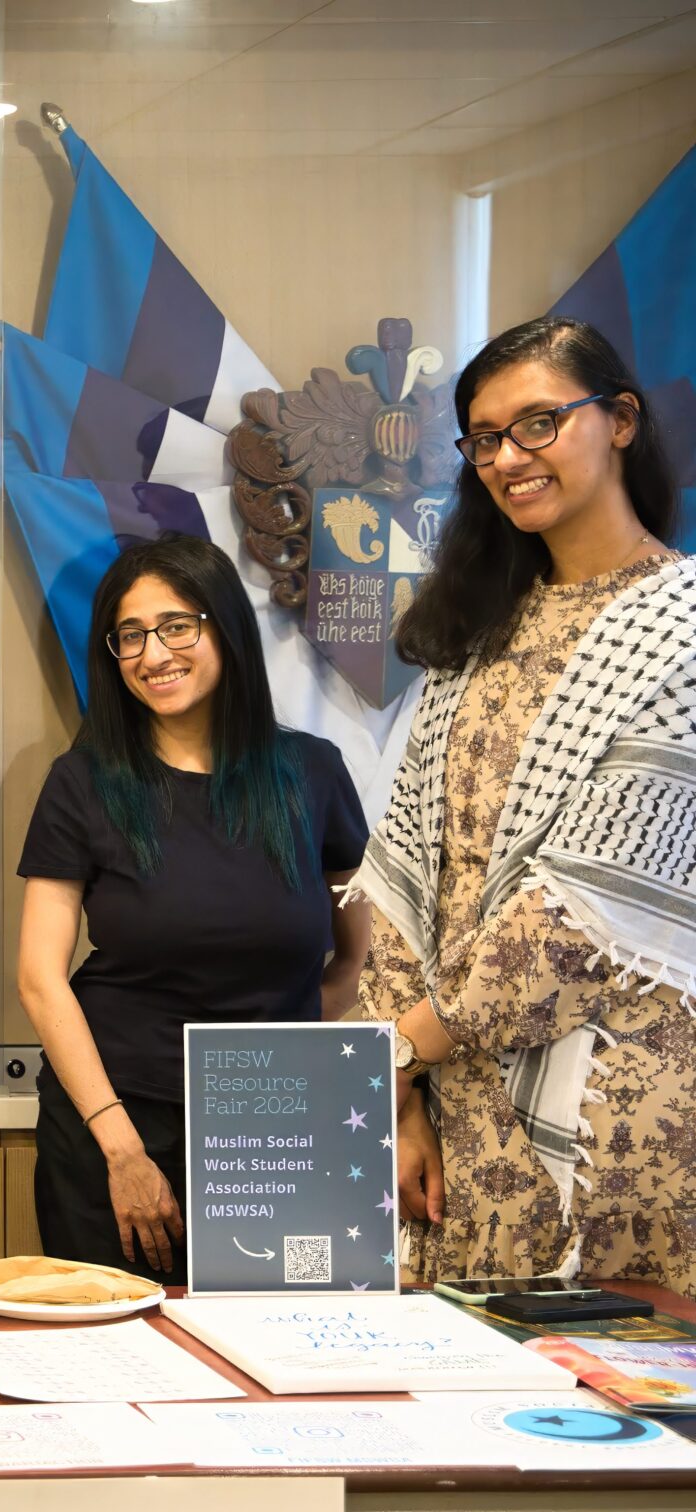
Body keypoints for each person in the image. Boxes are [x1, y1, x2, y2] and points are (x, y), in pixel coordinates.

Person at [362, 316, 696, 1292]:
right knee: (442, 1419)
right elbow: (404, 867)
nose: (508, 458)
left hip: (608, 1092)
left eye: (539, 423)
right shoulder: (474, 628)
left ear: (621, 421)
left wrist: (396, 1050)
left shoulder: (683, 623)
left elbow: (591, 916)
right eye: (483, 439)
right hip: (449, 1093)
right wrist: (401, 1093)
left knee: (591, 1420)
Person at [15, 536, 370, 1282]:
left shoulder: (312, 773)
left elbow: (360, 956)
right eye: (131, 635)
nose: (154, 653)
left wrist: (296, 1064)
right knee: (113, 1359)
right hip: (116, 1122)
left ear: (225, 628)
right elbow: (41, 979)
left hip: (273, 1134)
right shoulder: (83, 782)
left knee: (274, 1357)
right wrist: (120, 1147)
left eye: (178, 625)